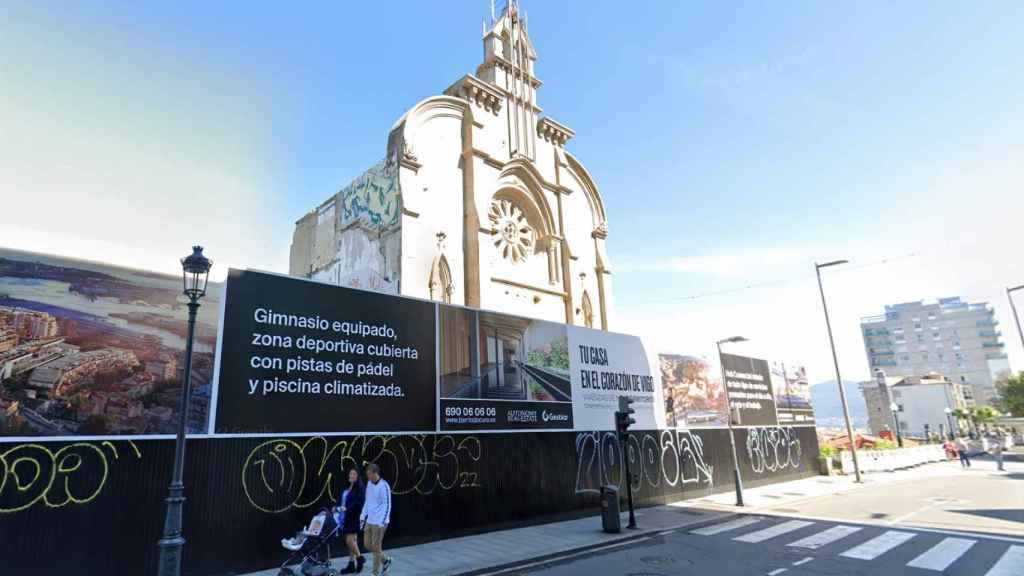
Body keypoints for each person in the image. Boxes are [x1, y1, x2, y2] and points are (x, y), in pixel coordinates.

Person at [361, 462, 392, 575]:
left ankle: (375, 573)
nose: (367, 476)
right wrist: (362, 517)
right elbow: (367, 501)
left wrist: (382, 522)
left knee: (376, 547)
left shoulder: (384, 486)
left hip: (380, 522)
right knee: (367, 545)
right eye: (367, 474)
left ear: (375, 473)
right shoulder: (369, 483)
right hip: (370, 520)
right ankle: (386, 560)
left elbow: (387, 505)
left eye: (369, 474)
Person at [339, 468, 366, 574]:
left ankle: (360, 559)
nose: (352, 475)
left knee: (349, 541)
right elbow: (341, 500)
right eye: (350, 473)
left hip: (353, 518)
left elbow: (359, 504)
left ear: (358, 476)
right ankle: (351, 565)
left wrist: (347, 509)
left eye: (354, 474)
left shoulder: (359, 488)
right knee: (352, 542)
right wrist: (336, 507)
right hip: (344, 517)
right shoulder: (347, 487)